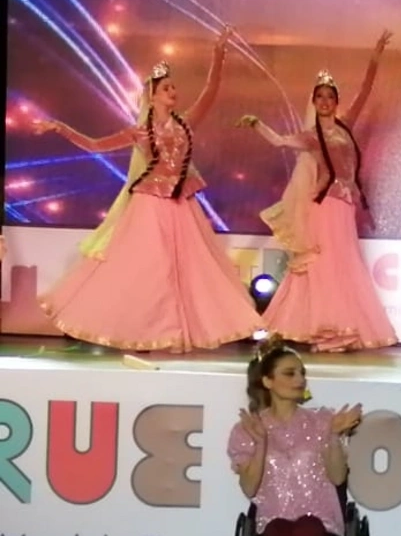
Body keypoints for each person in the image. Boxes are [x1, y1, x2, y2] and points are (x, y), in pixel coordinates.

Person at [33, 27, 263, 352]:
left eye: (174, 87)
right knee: (150, 270)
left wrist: (218, 54)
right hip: (149, 204)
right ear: (152, 95)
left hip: (180, 204)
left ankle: (174, 332)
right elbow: (95, 145)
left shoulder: (184, 123)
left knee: (187, 270)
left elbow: (210, 92)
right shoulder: (139, 131)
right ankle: (142, 330)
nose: (173, 92)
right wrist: (60, 127)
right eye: (166, 88)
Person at [236, 31, 398, 352]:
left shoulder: (345, 125)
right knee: (325, 265)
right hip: (324, 206)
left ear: (336, 101)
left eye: (330, 97)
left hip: (344, 206)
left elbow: (365, 91)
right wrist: (257, 124)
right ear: (314, 102)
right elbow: (280, 141)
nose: (325, 102)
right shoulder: (311, 136)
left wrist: (375, 57)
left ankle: (339, 324)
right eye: (319, 97)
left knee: (344, 265)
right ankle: (325, 327)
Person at [227, 334, 363, 536]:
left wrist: (333, 435)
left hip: (319, 517)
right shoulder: (248, 428)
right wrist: (261, 442)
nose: (300, 379)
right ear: (268, 381)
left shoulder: (322, 421)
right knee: (277, 529)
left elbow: (338, 478)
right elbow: (249, 489)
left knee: (307, 527)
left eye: (302, 373)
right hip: (273, 516)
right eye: (290, 373)